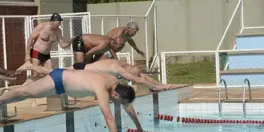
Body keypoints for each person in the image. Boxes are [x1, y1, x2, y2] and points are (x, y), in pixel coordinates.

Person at [0, 69, 149, 132]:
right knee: (25, 93)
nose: (118, 104)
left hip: (64, 84)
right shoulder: (103, 89)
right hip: (59, 80)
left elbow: (128, 105)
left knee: (26, 93)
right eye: (118, 101)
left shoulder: (116, 84)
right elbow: (109, 118)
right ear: (115, 95)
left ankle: (7, 96)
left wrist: (139, 129)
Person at [17, 58, 172, 92]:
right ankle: (31, 66)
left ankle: (32, 78)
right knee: (55, 73)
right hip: (82, 70)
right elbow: (136, 78)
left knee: (54, 75)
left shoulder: (121, 63)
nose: (128, 77)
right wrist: (157, 86)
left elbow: (140, 76)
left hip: (84, 67)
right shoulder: (120, 69)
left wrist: (160, 84)